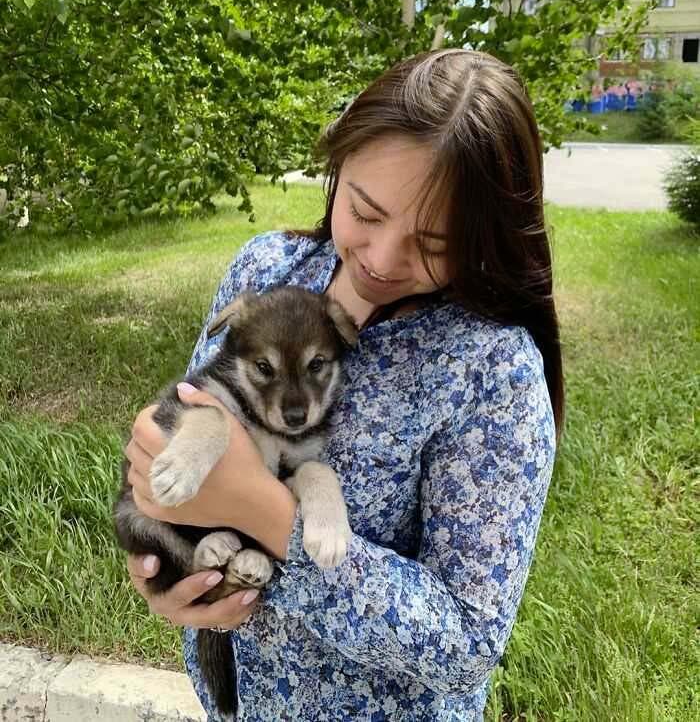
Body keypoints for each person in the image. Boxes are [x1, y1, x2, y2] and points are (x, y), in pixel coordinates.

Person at [124, 48, 563, 721]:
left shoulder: (489, 369)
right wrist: (164, 570)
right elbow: (186, 422)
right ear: (338, 162)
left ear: (484, 235)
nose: (383, 260)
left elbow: (469, 641)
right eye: (365, 210)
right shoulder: (267, 267)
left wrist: (265, 516)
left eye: (435, 242)